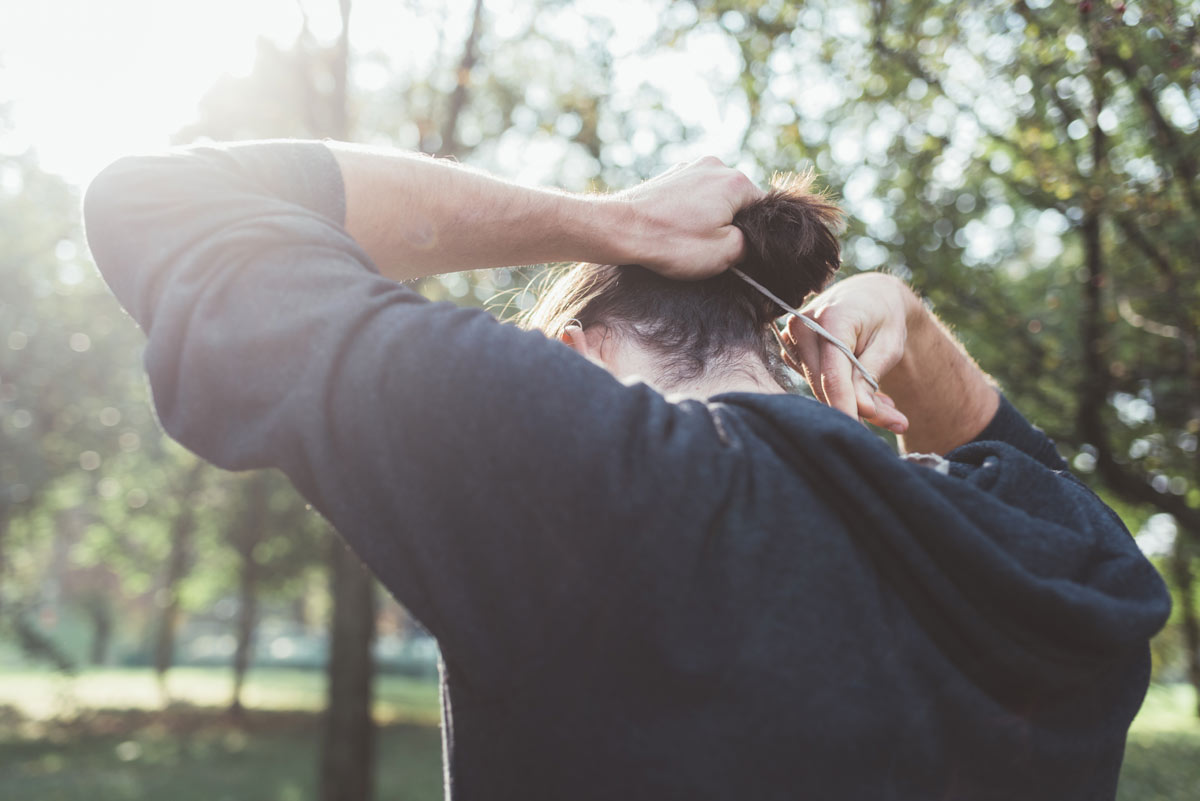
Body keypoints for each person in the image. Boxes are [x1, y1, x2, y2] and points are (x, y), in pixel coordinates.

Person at [84, 140, 1170, 801]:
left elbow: (156, 201)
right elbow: (1020, 464)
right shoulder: (1055, 567)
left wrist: (598, 222)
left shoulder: (593, 485)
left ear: (575, 357)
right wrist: (913, 324)